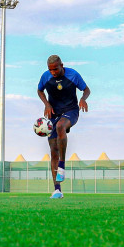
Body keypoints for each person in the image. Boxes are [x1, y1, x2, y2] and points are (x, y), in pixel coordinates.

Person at [37, 55, 90, 199]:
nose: (53, 72)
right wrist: (47, 104)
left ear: (62, 65)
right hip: (54, 114)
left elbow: (86, 90)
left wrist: (83, 99)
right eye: (50, 69)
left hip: (71, 111)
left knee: (61, 126)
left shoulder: (73, 75)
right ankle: (57, 190)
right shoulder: (46, 76)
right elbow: (39, 90)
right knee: (53, 150)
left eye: (56, 69)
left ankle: (62, 165)